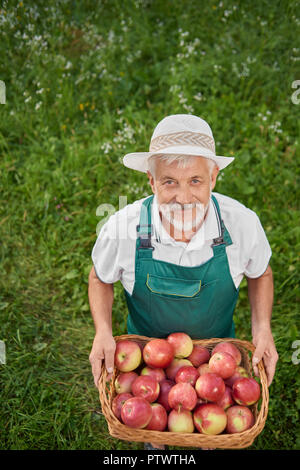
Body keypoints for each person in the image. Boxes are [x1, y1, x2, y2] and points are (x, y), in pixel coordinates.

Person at [88, 114, 278, 450]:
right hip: (146, 365)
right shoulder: (124, 228)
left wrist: (262, 328)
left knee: (211, 432)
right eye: (170, 182)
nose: (184, 197)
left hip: (216, 360)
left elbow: (260, 272)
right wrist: (103, 330)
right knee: (153, 425)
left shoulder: (242, 225)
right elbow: (100, 277)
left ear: (213, 177)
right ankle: (154, 442)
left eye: (195, 181)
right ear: (151, 182)